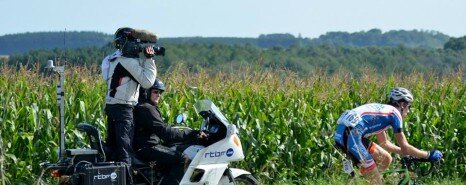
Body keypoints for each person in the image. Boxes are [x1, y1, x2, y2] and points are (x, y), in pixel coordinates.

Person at [334, 87, 442, 184]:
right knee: (376, 182)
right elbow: (405, 146)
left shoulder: (383, 111)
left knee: (385, 159)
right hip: (351, 137)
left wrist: (407, 154)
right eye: (409, 106)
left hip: (346, 134)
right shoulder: (394, 114)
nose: (409, 111)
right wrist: (428, 154)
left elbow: (384, 143)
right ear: (402, 105)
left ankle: (368, 180)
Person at [104, 27, 158, 183]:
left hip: (113, 107)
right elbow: (148, 82)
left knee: (114, 148)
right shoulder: (127, 62)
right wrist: (149, 59)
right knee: (124, 151)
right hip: (123, 109)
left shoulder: (115, 60)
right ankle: (127, 181)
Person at [133, 79, 207, 185]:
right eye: (155, 92)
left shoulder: (144, 106)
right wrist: (193, 134)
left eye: (160, 92)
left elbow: (161, 128)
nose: (158, 95)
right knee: (182, 159)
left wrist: (180, 130)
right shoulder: (146, 108)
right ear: (146, 92)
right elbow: (165, 133)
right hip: (146, 147)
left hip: (144, 146)